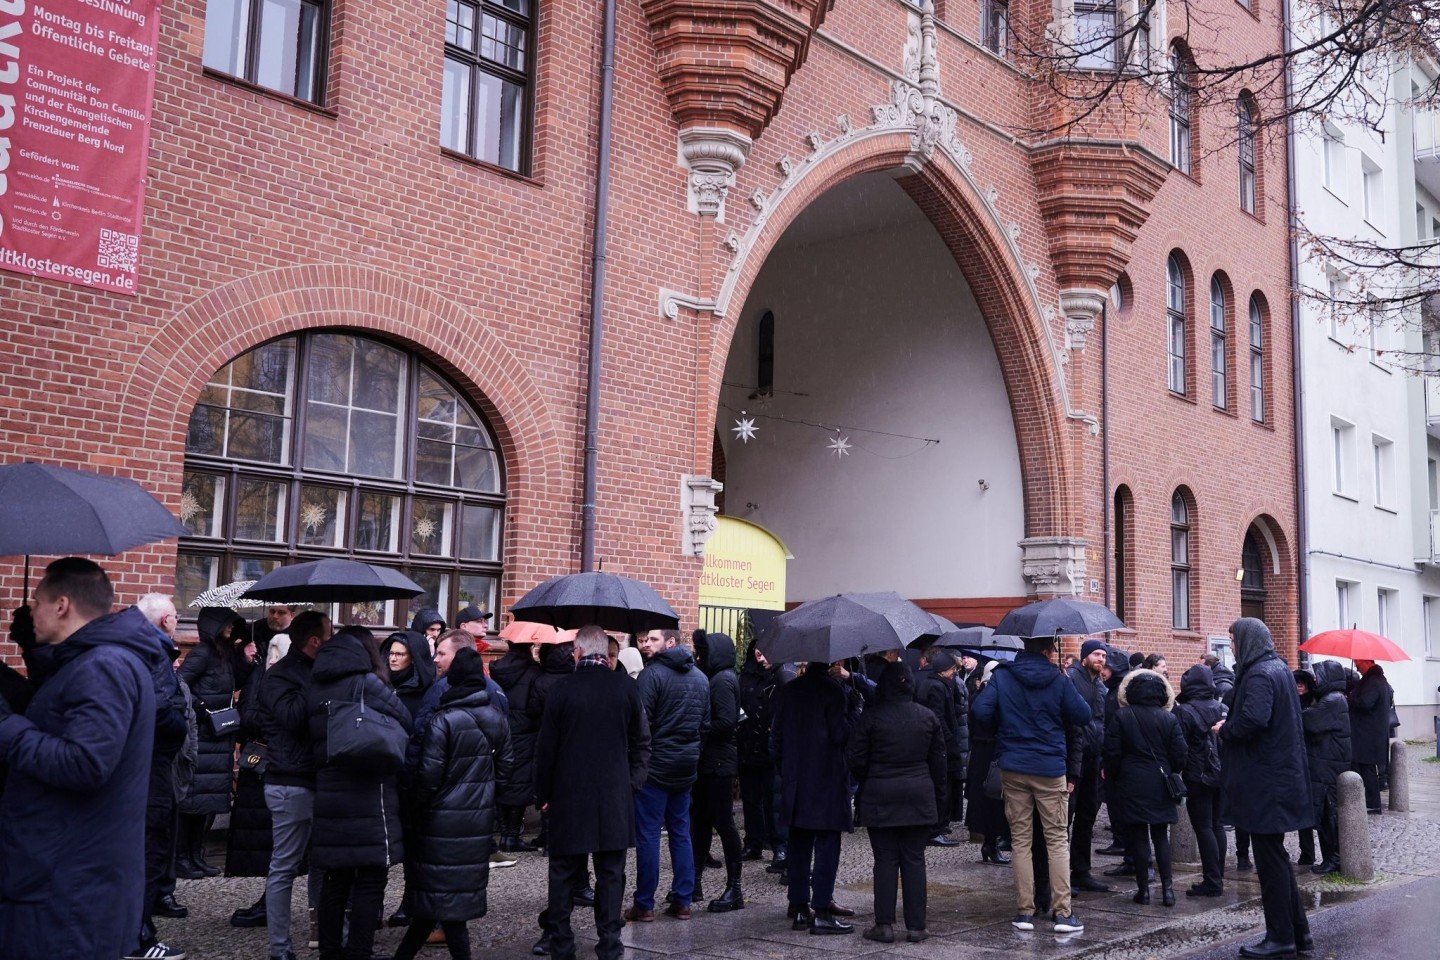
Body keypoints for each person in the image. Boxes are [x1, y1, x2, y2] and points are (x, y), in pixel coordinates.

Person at [0, 558, 163, 960]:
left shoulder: (104, 665)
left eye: (36, 601)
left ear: (61, 606)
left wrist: (4, 725)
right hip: (66, 882)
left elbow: (85, 763)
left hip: (70, 893)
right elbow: (61, 719)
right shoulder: (95, 660)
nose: (29, 610)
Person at [534, 625, 651, 960]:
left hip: (568, 796)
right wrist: (632, 784)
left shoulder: (561, 690)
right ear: (605, 652)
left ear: (578, 652)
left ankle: (561, 944)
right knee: (611, 875)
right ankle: (610, 944)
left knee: (562, 875)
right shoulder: (627, 689)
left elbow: (546, 750)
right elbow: (643, 743)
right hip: (615, 797)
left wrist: (542, 792)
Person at [394, 646, 514, 960]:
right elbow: (506, 771)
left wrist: (415, 811)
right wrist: (484, 799)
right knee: (442, 899)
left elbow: (428, 777)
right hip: (476, 823)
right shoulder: (498, 718)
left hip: (439, 823)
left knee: (445, 906)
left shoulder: (443, 720)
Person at [972, 634, 1091, 934]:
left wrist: (1006, 725)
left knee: (1021, 841)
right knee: (1056, 840)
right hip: (1050, 768)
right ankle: (1063, 913)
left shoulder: (1002, 676)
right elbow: (1083, 715)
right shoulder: (1059, 679)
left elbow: (980, 711)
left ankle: (1024, 912)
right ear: (1049, 651)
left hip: (1013, 766)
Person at [308, 625, 412, 960]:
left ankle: (330, 951)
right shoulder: (367, 683)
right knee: (370, 878)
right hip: (370, 791)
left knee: (335, 879)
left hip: (328, 789)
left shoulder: (316, 684)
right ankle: (358, 952)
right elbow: (404, 720)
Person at [1220, 618, 1313, 959]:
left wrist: (1225, 729)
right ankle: (1298, 934)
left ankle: (1280, 938)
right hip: (1276, 778)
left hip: (1265, 783)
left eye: (1233, 640)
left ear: (1246, 641)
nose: (1231, 646)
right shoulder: (1279, 669)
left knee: (1271, 863)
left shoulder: (1260, 673)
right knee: (1277, 859)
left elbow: (1254, 720)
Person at [846, 661, 946, 944]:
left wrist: (870, 777)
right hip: (919, 795)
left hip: (880, 796)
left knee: (885, 860)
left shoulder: (872, 717)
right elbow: (939, 765)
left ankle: (884, 924)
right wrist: (938, 802)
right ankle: (916, 926)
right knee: (915, 860)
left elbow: (855, 757)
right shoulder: (927, 718)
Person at [255, 610, 332, 960]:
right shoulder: (279, 676)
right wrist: (321, 680)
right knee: (284, 866)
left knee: (324, 863)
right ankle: (279, 949)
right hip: (290, 782)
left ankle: (324, 935)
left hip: (318, 779)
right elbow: (293, 719)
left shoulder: (317, 671)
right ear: (314, 640)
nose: (334, 639)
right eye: (329, 634)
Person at [626, 628, 709, 921]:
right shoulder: (700, 678)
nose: (646, 644)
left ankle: (644, 903)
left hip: (656, 766)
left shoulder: (652, 675)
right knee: (680, 831)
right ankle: (683, 900)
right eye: (643, 639)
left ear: (670, 642)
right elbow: (705, 723)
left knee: (648, 833)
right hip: (686, 765)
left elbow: (639, 724)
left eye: (653, 639)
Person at [773, 659, 858, 935]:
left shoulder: (790, 690)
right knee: (827, 846)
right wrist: (855, 709)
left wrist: (786, 771)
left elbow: (776, 738)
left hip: (796, 780)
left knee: (798, 845)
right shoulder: (833, 690)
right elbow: (841, 734)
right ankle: (821, 909)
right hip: (827, 779)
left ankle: (799, 907)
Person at [132, 594, 193, 939]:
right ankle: (138, 934)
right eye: (175, 616)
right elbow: (158, 709)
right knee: (150, 845)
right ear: (165, 620)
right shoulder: (152, 653)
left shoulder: (144, 647)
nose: (177, 622)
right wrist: (178, 724)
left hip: (150, 762)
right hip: (152, 762)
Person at [1104, 668, 1187, 907]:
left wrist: (1115, 776)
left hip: (1132, 781)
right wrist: (1171, 769)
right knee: (1161, 836)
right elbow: (1180, 753)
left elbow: (1112, 752)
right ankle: (1168, 891)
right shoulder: (1169, 718)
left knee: (1139, 837)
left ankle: (1144, 891)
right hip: (1160, 782)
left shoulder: (1123, 716)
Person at [176, 606, 247, 879]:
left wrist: (246, 657)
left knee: (206, 804)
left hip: (220, 738)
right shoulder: (203, 653)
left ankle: (196, 855)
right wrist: (202, 708)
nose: (232, 627)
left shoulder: (223, 654)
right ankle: (182, 857)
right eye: (228, 623)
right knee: (193, 803)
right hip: (204, 738)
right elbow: (179, 684)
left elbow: (233, 684)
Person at [690, 631, 745, 911]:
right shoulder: (718, 678)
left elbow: (726, 722)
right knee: (700, 823)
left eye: (703, 653)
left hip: (719, 762)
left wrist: (699, 728)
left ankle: (734, 889)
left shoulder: (722, 680)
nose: (700, 658)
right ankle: (695, 883)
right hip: (710, 761)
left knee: (723, 824)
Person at [1174, 664, 1228, 896]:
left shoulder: (1184, 711)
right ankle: (1218, 874)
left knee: (1204, 827)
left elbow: (1179, 747)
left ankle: (1212, 880)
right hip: (1221, 772)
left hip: (1197, 775)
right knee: (1216, 825)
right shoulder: (1222, 708)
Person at [490, 638, 544, 853]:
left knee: (504, 780)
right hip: (526, 733)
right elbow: (534, 706)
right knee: (520, 783)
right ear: (529, 647)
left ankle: (504, 832)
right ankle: (511, 835)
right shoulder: (534, 672)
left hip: (502, 730)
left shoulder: (497, 669)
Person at [736, 642, 787, 868]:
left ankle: (779, 846)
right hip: (749, 745)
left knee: (772, 800)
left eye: (765, 654)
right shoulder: (746, 677)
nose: (761, 659)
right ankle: (754, 842)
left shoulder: (781, 677)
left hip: (769, 748)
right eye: (757, 654)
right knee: (751, 800)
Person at [1066, 639, 1111, 893]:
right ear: (1084, 657)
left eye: (1103, 655)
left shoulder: (1100, 685)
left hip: (1094, 757)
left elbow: (1101, 721)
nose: (1100, 659)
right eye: (1096, 654)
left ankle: (1081, 870)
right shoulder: (1072, 679)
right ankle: (1061, 874)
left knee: (1087, 816)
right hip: (1075, 757)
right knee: (1067, 817)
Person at [1301, 661, 1351, 875]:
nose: (1314, 681)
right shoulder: (1332, 699)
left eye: (1318, 677)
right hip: (1326, 760)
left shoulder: (1332, 700)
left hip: (1328, 763)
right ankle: (1330, 857)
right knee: (1325, 813)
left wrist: (1302, 710)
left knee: (1328, 813)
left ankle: (1334, 858)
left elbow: (1310, 722)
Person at [915, 647, 963, 848]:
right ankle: (935, 831)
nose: (954, 673)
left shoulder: (929, 684)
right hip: (939, 745)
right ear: (943, 669)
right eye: (952, 669)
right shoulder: (938, 687)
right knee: (940, 787)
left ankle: (935, 828)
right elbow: (939, 718)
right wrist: (949, 740)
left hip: (931, 743)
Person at [965, 659, 1009, 864]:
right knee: (994, 800)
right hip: (991, 752)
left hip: (980, 751)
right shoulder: (992, 699)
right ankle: (991, 842)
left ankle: (989, 840)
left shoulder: (977, 696)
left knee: (986, 798)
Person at [1347, 658, 1392, 814]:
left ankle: (1373, 804)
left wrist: (1351, 698)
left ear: (1366, 662)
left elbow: (1366, 703)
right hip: (1371, 732)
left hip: (1367, 733)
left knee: (1367, 769)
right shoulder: (1377, 679)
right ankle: (1369, 802)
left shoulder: (1372, 681)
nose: (1357, 667)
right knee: (1366, 767)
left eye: (1358, 663)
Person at [386, 629, 438, 718]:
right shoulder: (381, 681)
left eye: (399, 654)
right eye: (391, 653)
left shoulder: (425, 687)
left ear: (413, 658)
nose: (393, 659)